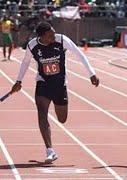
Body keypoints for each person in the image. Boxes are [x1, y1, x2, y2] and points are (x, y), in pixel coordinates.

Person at [10, 22, 100, 163]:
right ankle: (50, 150)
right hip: (43, 83)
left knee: (62, 119)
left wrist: (92, 73)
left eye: (54, 33)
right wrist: (18, 81)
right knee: (42, 114)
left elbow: (79, 54)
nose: (54, 36)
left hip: (59, 84)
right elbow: (26, 62)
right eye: (50, 35)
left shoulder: (62, 40)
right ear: (42, 37)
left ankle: (51, 141)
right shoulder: (32, 45)